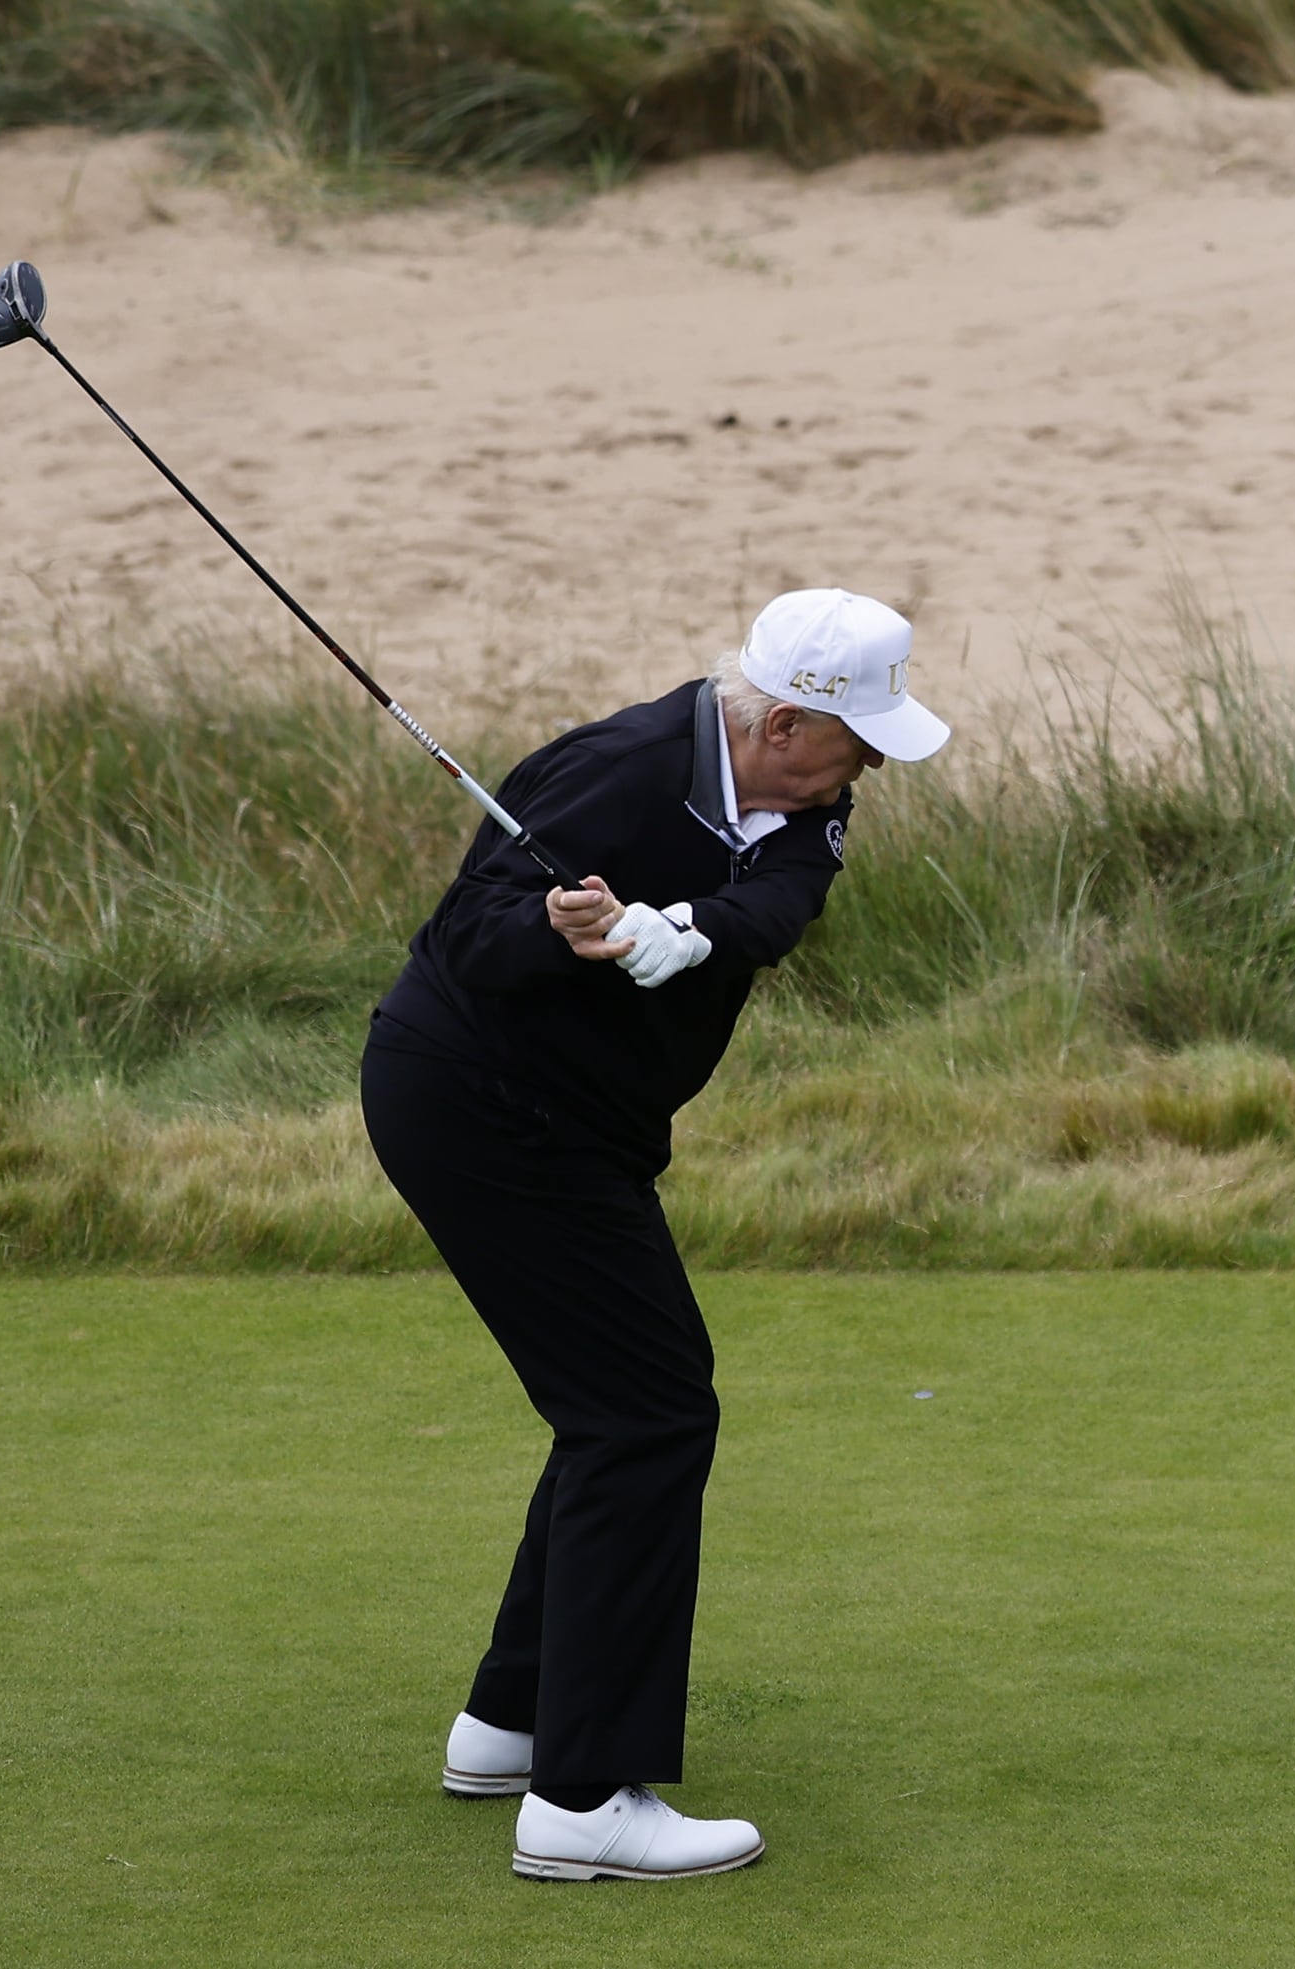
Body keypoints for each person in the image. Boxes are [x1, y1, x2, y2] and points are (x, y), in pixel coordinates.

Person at [355, 586, 947, 1884]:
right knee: (650, 1412)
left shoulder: (809, 797)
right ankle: (581, 1801)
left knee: (615, 1409)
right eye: (857, 742)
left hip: (584, 1125)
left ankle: (509, 1726)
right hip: (480, 1107)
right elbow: (472, 936)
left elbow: (786, 900)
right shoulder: (612, 774)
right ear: (788, 723)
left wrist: (688, 930)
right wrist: (566, 933)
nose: (867, 773)